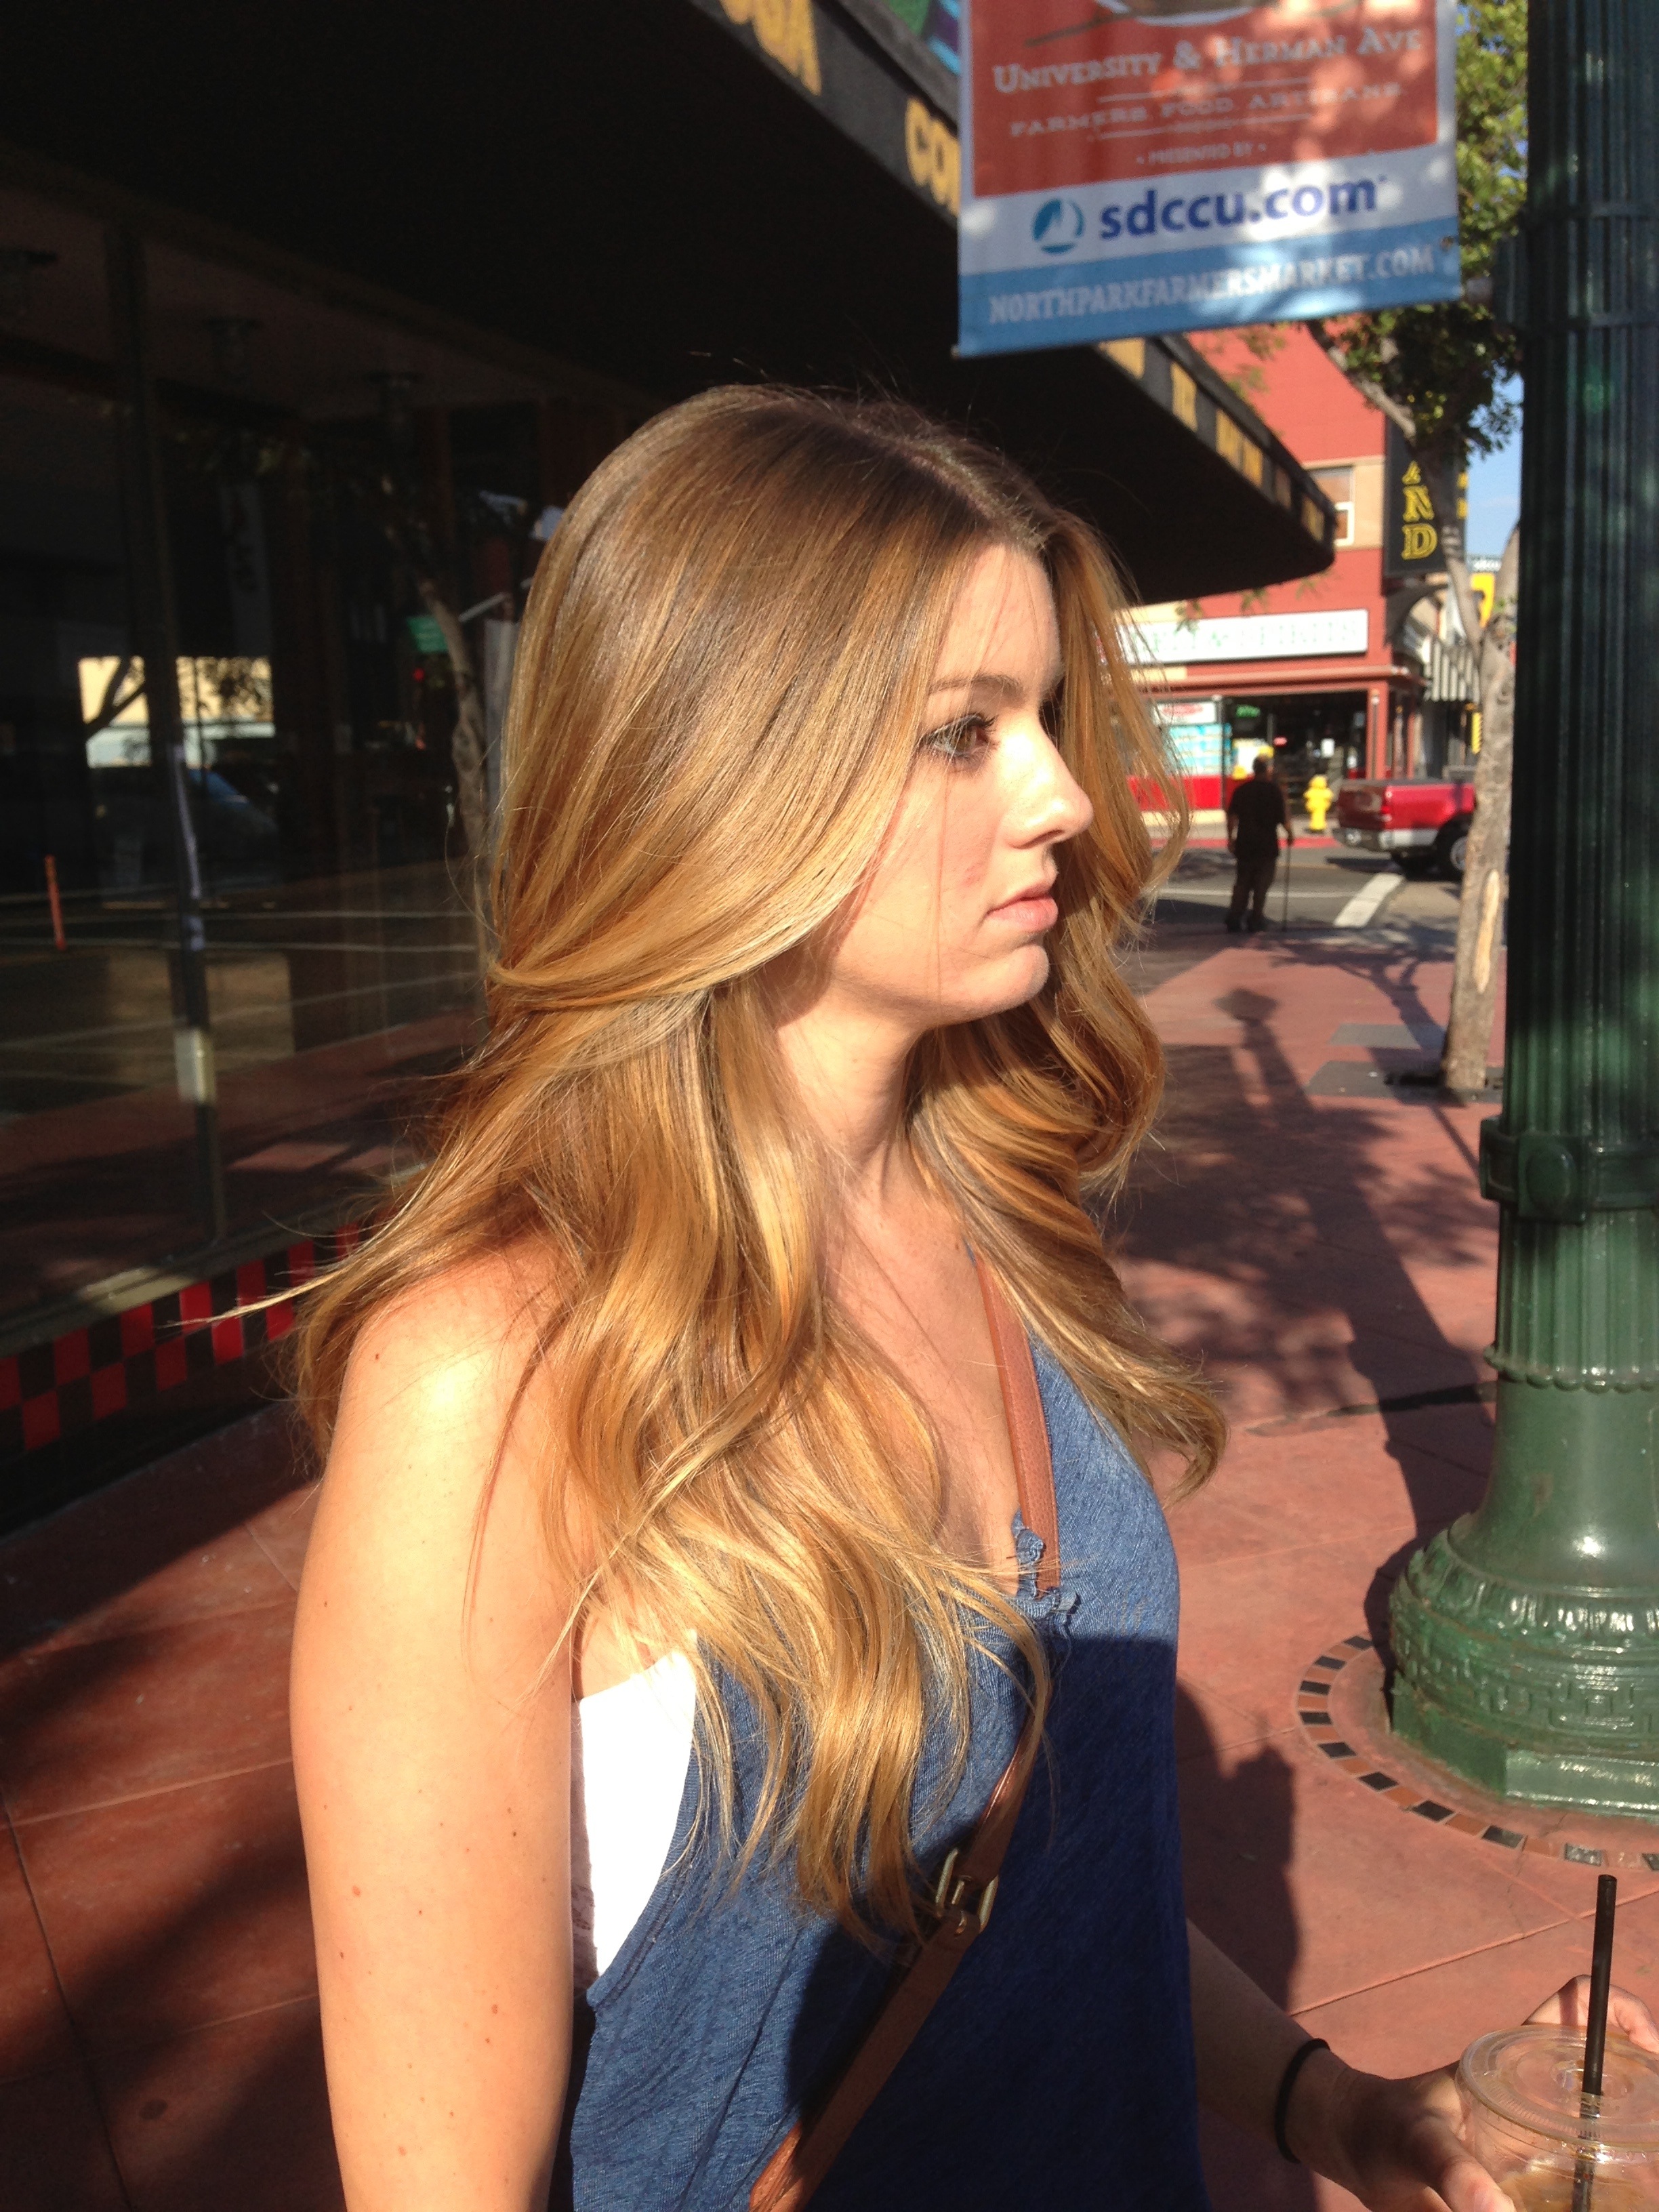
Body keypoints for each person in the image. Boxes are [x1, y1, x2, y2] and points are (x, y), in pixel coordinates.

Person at [288, 388, 1654, 2212]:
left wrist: (1330, 2106)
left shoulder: (1000, 1224)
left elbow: (1058, 1880)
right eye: (962, 732)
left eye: (1043, 719)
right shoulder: (495, 1379)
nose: (1066, 798)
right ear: (721, 777)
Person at [1226, 748, 1292, 932]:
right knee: (1262, 884)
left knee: (1243, 882)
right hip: (1267, 845)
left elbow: (1232, 816)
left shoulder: (1242, 791)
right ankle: (1255, 918)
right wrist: (1290, 833)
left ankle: (1235, 917)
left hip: (1245, 843)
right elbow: (1284, 817)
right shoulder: (1274, 792)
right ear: (1268, 770)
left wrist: (1230, 837)